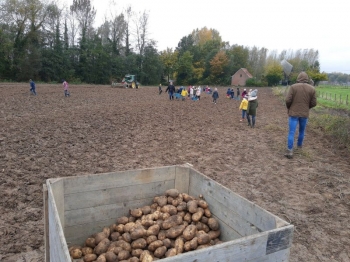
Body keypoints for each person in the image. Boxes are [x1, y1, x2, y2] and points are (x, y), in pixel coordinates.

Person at [284, 72, 317, 159]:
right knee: (302, 131)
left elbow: (287, 100)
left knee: (291, 132)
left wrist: (289, 107)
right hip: (304, 113)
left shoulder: (293, 87)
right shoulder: (312, 89)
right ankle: (299, 147)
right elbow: (314, 103)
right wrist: (307, 107)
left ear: (298, 78)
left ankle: (290, 150)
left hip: (293, 113)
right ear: (307, 79)